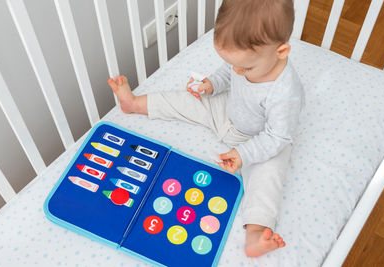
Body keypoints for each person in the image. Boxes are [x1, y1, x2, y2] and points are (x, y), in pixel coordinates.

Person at [108, 0, 304, 258]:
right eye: (232, 62)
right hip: (228, 111)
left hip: (260, 138)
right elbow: (228, 71)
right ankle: (133, 103)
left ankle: (256, 233)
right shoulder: (241, 61)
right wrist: (211, 84)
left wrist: (244, 154)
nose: (237, 70)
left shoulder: (285, 92)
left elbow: (277, 136)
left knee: (268, 177)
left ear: (281, 51)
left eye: (245, 67)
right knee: (185, 101)